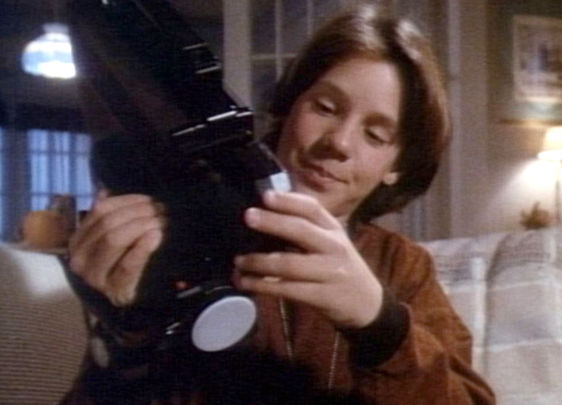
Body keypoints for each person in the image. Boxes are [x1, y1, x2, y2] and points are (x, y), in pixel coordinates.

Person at [63, 4, 495, 404]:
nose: (339, 143)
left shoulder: (402, 267)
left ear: (396, 167)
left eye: (375, 135)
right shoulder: (184, 240)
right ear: (289, 108)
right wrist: (127, 339)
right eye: (325, 108)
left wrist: (381, 324)